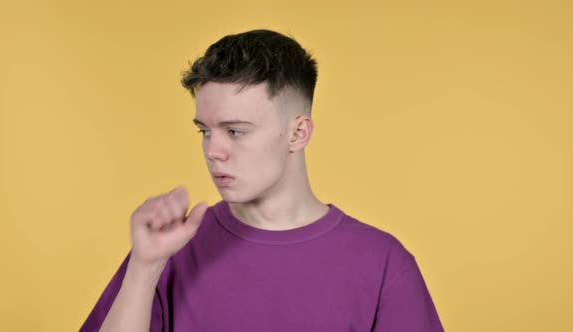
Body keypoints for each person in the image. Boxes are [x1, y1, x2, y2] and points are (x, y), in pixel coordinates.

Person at [79, 29, 445, 332]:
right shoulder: (167, 249)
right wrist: (143, 269)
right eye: (204, 131)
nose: (213, 151)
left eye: (235, 131)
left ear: (298, 133)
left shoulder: (382, 263)